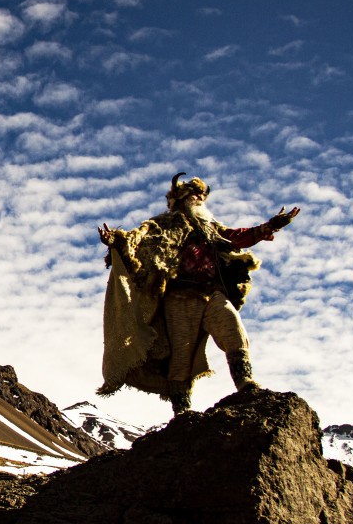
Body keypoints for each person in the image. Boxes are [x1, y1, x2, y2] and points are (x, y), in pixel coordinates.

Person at [97, 173, 298, 415]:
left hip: (212, 292)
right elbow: (136, 242)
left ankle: (245, 383)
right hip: (180, 298)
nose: (200, 199)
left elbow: (237, 237)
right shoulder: (161, 226)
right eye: (195, 195)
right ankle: (182, 411)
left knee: (233, 328)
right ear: (180, 200)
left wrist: (269, 226)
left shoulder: (211, 229)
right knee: (182, 354)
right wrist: (116, 242)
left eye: (202, 196)